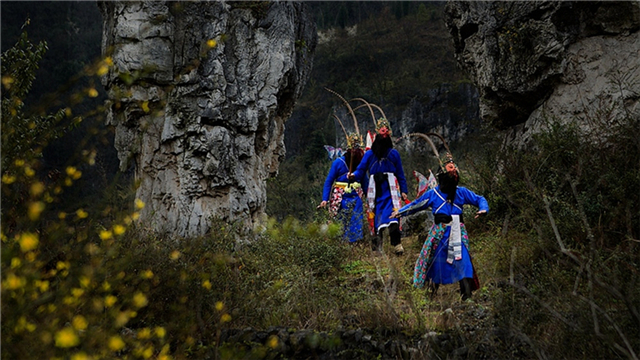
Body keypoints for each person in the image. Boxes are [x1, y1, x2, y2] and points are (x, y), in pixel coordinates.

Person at [390, 153, 488, 300]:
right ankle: (431, 294)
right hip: (440, 233)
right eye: (450, 168)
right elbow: (417, 205)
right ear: (443, 172)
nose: (454, 170)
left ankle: (466, 296)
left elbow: (479, 199)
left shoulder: (461, 192)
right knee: (436, 262)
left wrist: (483, 208)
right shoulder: (433, 194)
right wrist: (400, 212)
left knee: (464, 261)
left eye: (455, 168)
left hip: (458, 231)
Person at [350, 118, 409, 255]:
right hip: (375, 190)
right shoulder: (369, 155)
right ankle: (377, 248)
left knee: (394, 215)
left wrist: (404, 190)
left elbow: (400, 173)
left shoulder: (394, 154)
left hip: (391, 190)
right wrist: (354, 175)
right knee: (375, 215)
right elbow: (361, 169)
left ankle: (397, 244)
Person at [318, 134, 367, 243]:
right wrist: (325, 199)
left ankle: (354, 243)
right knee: (340, 223)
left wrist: (371, 199)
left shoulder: (361, 164)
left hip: (356, 198)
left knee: (356, 221)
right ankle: (340, 244)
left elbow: (365, 182)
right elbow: (329, 181)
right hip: (340, 199)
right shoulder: (338, 163)